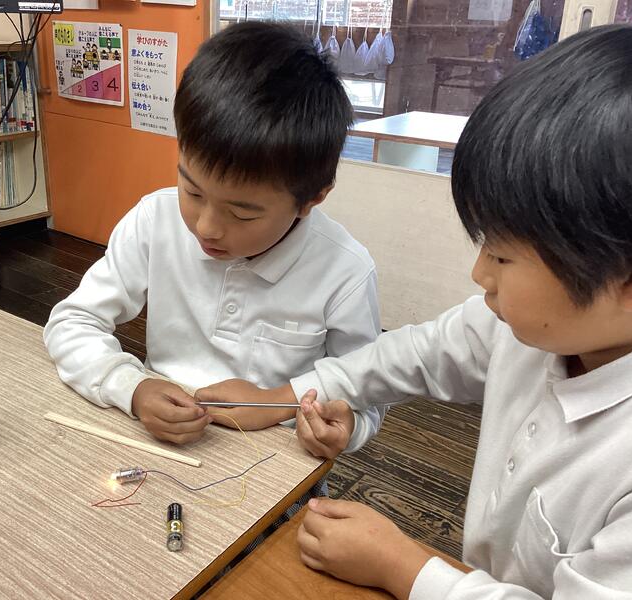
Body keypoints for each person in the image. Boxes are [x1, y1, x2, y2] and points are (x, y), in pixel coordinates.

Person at [196, 24, 632, 598]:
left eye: (503, 256)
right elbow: (416, 354)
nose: (479, 274)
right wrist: (284, 397)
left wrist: (405, 568)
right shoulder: (528, 330)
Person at [43, 21, 384, 460]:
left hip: (276, 458)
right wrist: (132, 387)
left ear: (311, 199)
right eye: (192, 191)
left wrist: (344, 427)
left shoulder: (345, 272)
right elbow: (72, 322)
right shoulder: (155, 219)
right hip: (157, 439)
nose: (206, 227)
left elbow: (367, 393)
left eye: (242, 213)